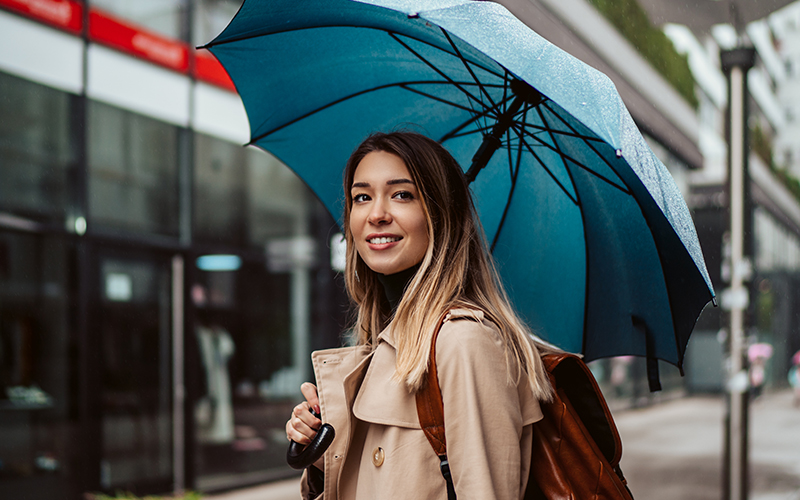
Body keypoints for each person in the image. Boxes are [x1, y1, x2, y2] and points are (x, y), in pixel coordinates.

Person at [285, 131, 558, 500]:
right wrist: (324, 450)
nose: (377, 214)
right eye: (362, 197)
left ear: (439, 215)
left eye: (402, 195)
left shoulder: (462, 341)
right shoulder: (384, 340)